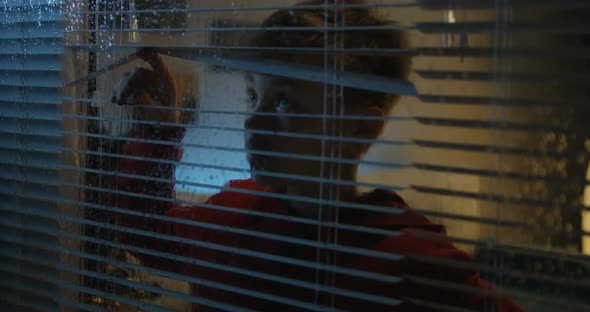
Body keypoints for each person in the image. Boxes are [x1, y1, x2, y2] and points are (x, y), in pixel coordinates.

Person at [112, 1, 525, 311]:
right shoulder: (235, 215)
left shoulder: (410, 264)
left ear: (359, 129)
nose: (253, 123)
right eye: (254, 96)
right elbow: (148, 236)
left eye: (285, 101)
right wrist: (160, 130)